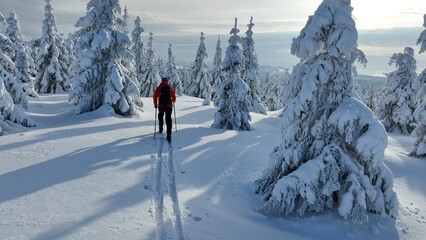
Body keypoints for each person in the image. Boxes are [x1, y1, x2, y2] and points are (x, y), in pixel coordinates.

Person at [153, 77, 176, 142]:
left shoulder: (159, 88)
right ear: (167, 81)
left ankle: (161, 129)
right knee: (168, 118)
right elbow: (174, 97)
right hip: (169, 106)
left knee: (160, 116)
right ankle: (169, 133)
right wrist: (173, 101)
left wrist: (155, 104)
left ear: (162, 81)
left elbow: (155, 96)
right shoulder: (170, 88)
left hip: (161, 106)